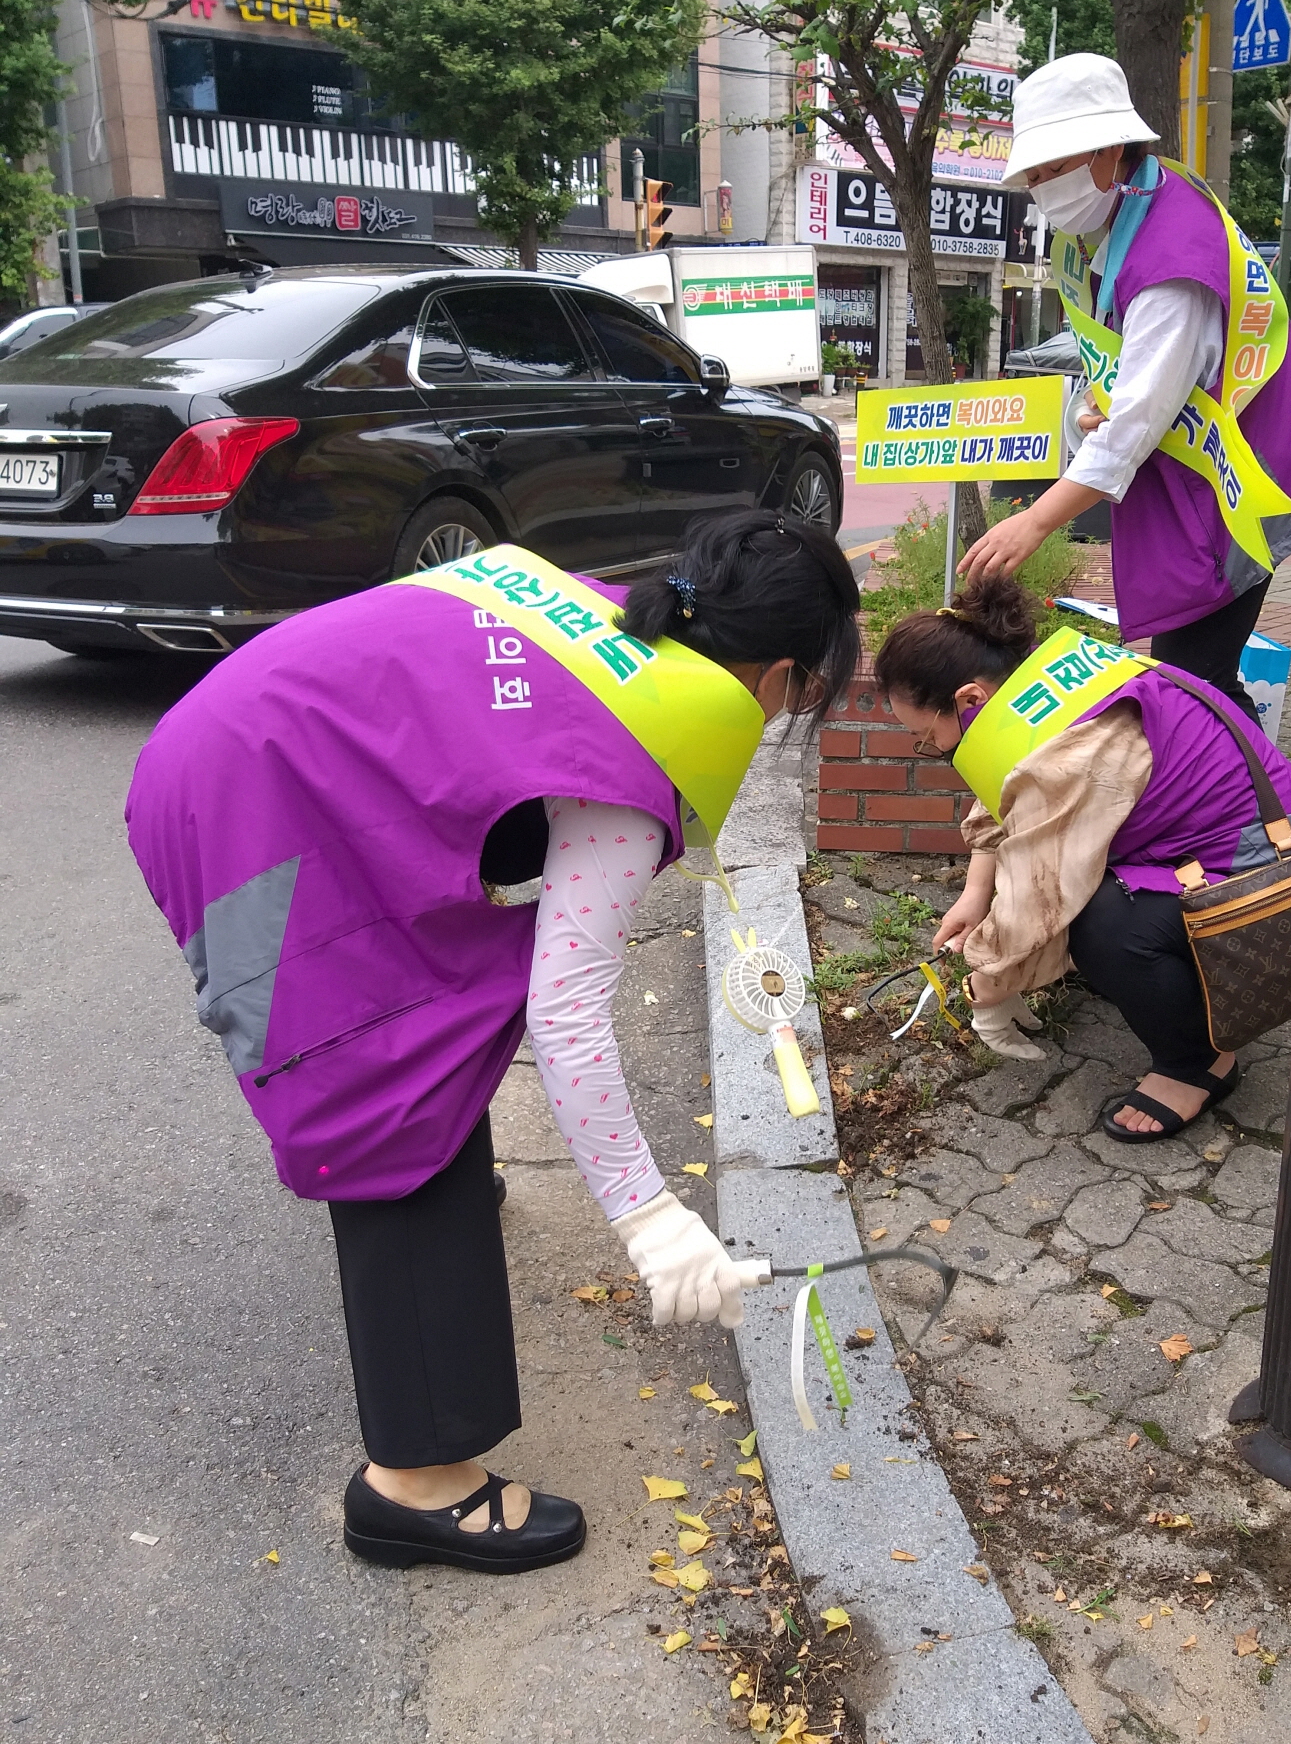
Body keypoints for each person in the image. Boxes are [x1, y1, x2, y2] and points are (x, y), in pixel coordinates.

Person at [126, 511, 860, 1576]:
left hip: (237, 744)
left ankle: (443, 1182)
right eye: (804, 692)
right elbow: (566, 1009)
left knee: (439, 1011)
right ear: (782, 672)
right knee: (379, 1079)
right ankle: (413, 1484)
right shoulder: (631, 751)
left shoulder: (612, 622)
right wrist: (651, 1219)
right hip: (245, 801)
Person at [963, 53, 1291, 719]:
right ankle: (1263, 816)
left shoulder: (1173, 253)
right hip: (1194, 479)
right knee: (1195, 686)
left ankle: (1273, 820)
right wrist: (1092, 406)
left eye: (1055, 169)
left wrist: (1034, 521)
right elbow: (1121, 374)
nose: (1044, 189)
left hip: (1244, 484)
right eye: (1034, 177)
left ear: (1110, 150)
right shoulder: (1124, 218)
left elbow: (1136, 424)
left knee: (1191, 690)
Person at [872, 577, 1291, 1136]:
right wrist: (974, 896)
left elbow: (1040, 892)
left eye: (928, 737)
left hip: (1279, 882)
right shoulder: (1050, 687)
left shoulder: (1073, 750)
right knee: (1097, 912)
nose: (935, 750)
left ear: (970, 699)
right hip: (1251, 842)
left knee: (1101, 925)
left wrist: (990, 983)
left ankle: (1197, 1065)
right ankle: (1166, 985)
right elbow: (1004, 802)